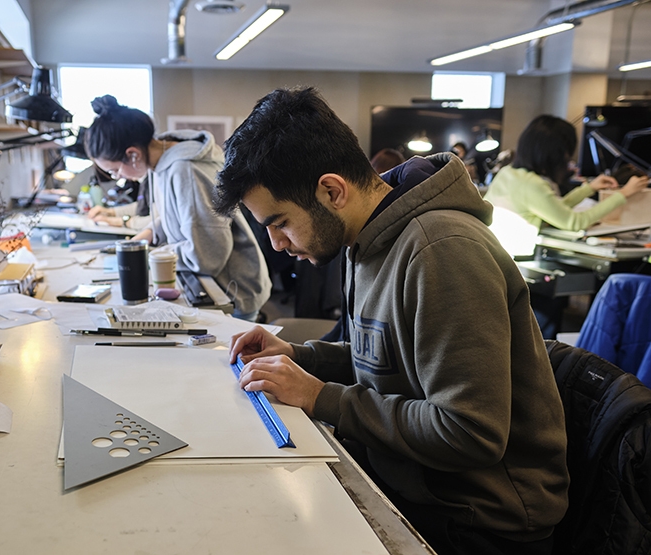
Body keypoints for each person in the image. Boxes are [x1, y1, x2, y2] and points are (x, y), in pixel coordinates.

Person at [214, 87, 569, 555]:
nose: (277, 244)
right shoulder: (367, 240)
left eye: (280, 222)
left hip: (478, 518)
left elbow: (469, 433)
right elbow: (387, 357)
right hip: (416, 481)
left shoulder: (442, 250)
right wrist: (300, 356)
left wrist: (320, 397)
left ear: (332, 190)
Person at [84, 95, 271, 321]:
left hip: (233, 293)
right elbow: (177, 215)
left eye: (115, 170)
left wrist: (154, 254)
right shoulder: (160, 163)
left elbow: (208, 256)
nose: (119, 177)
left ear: (133, 154)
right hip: (212, 285)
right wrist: (146, 235)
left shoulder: (186, 170)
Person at [484, 114, 648, 235]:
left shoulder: (509, 172)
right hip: (513, 259)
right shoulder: (532, 185)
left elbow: (555, 208)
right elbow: (575, 222)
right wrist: (624, 193)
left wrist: (589, 188)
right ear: (554, 153)